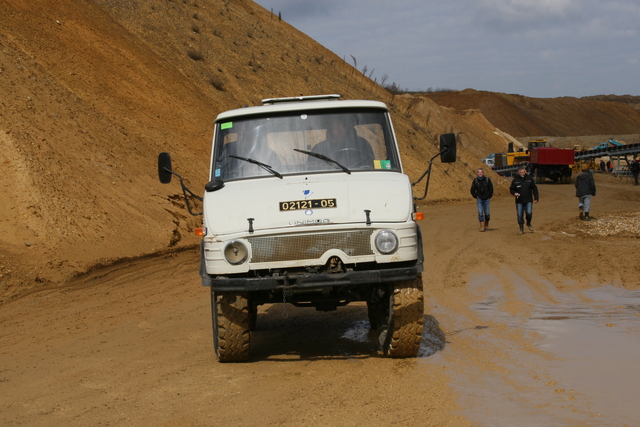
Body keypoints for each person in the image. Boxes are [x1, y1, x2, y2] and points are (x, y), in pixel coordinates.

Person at [509, 166, 539, 234]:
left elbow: (534, 189)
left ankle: (528, 223)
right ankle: (521, 229)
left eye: (524, 172)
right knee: (520, 215)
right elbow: (511, 189)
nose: (523, 173)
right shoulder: (515, 180)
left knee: (529, 213)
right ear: (519, 173)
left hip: (528, 200)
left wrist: (536, 198)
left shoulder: (530, 179)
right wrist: (514, 193)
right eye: (521, 172)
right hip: (519, 201)